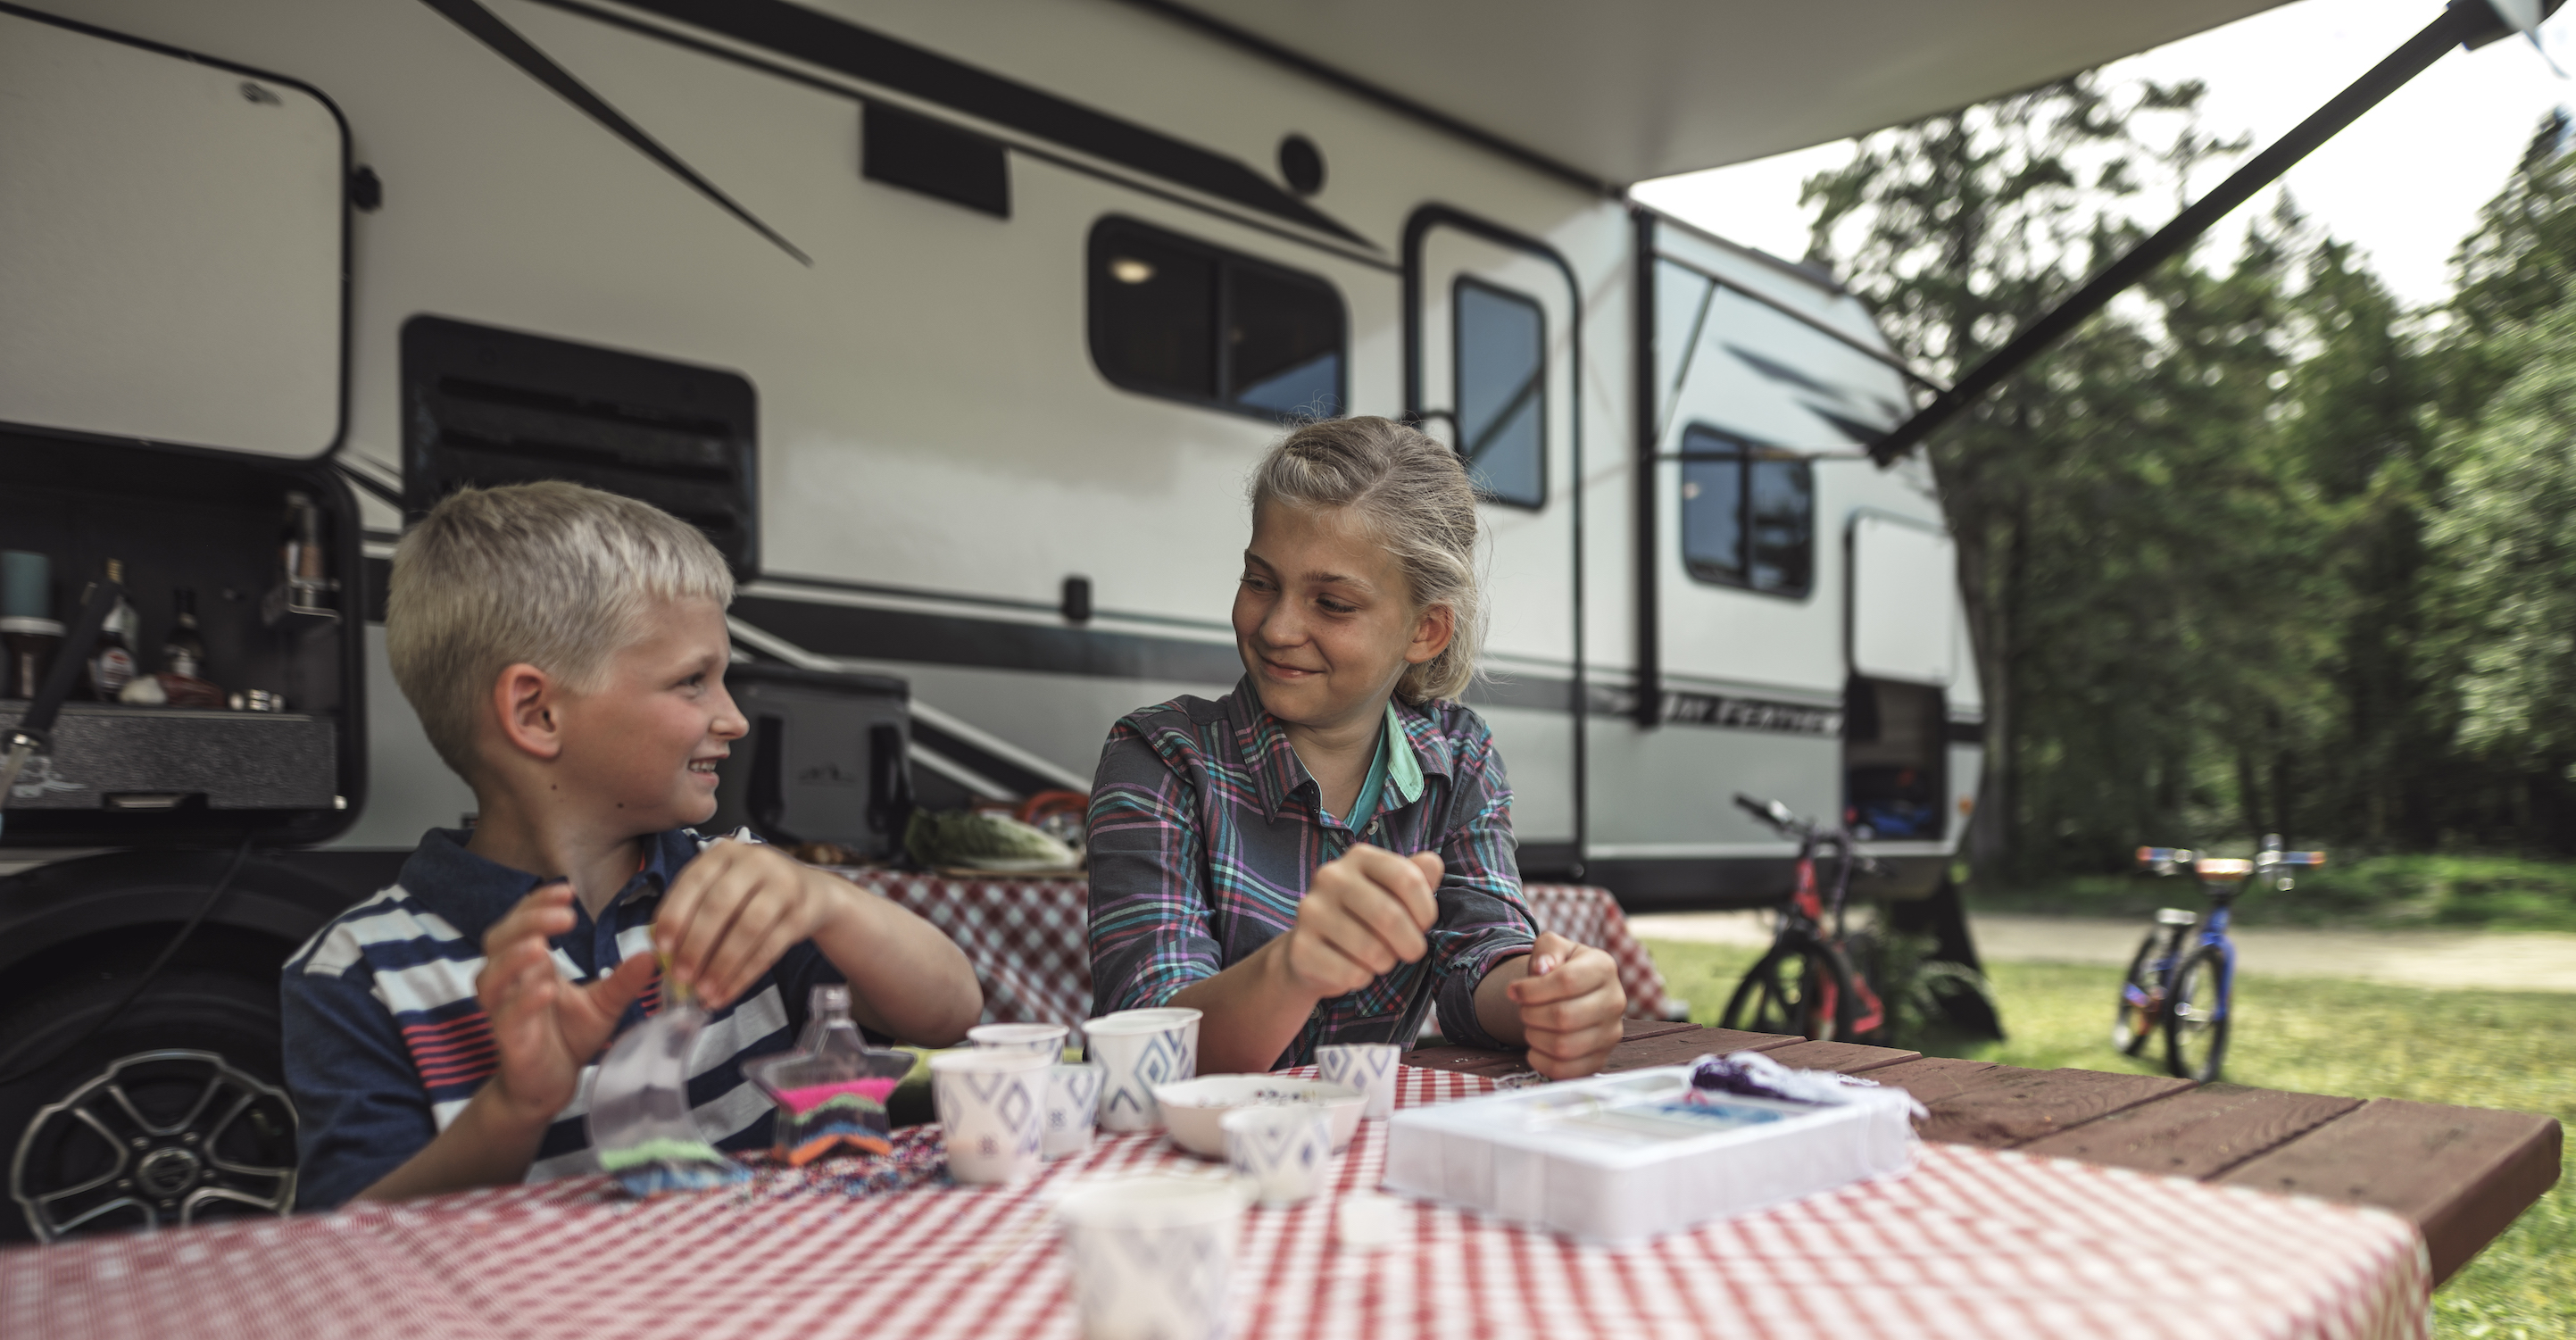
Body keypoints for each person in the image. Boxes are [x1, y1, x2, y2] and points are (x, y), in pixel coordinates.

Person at [281, 482, 980, 1208]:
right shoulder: (361, 974)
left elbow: (949, 1012)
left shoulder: (737, 890)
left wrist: (826, 901)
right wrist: (513, 1108)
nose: (734, 718)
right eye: (693, 683)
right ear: (538, 712)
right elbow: (348, 1240)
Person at [1087, 415, 1625, 1078]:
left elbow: (1479, 956)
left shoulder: (1459, 758)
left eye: (1333, 604)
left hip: (1357, 1159)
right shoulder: (1159, 758)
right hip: (1171, 1165)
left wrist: (1548, 995)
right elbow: (1146, 1044)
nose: (1279, 627)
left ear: (1425, 631)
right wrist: (1296, 966)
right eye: (1260, 582)